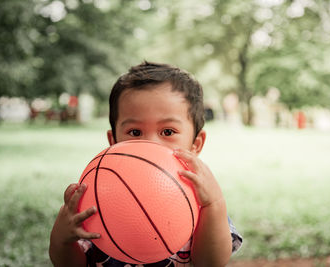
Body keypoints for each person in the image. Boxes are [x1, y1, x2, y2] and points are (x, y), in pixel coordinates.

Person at [49, 61, 243, 266]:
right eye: (135, 132)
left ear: (196, 144)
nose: (150, 144)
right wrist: (62, 241)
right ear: (113, 142)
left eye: (167, 132)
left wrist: (214, 205)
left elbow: (211, 263)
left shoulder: (199, 199)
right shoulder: (96, 194)